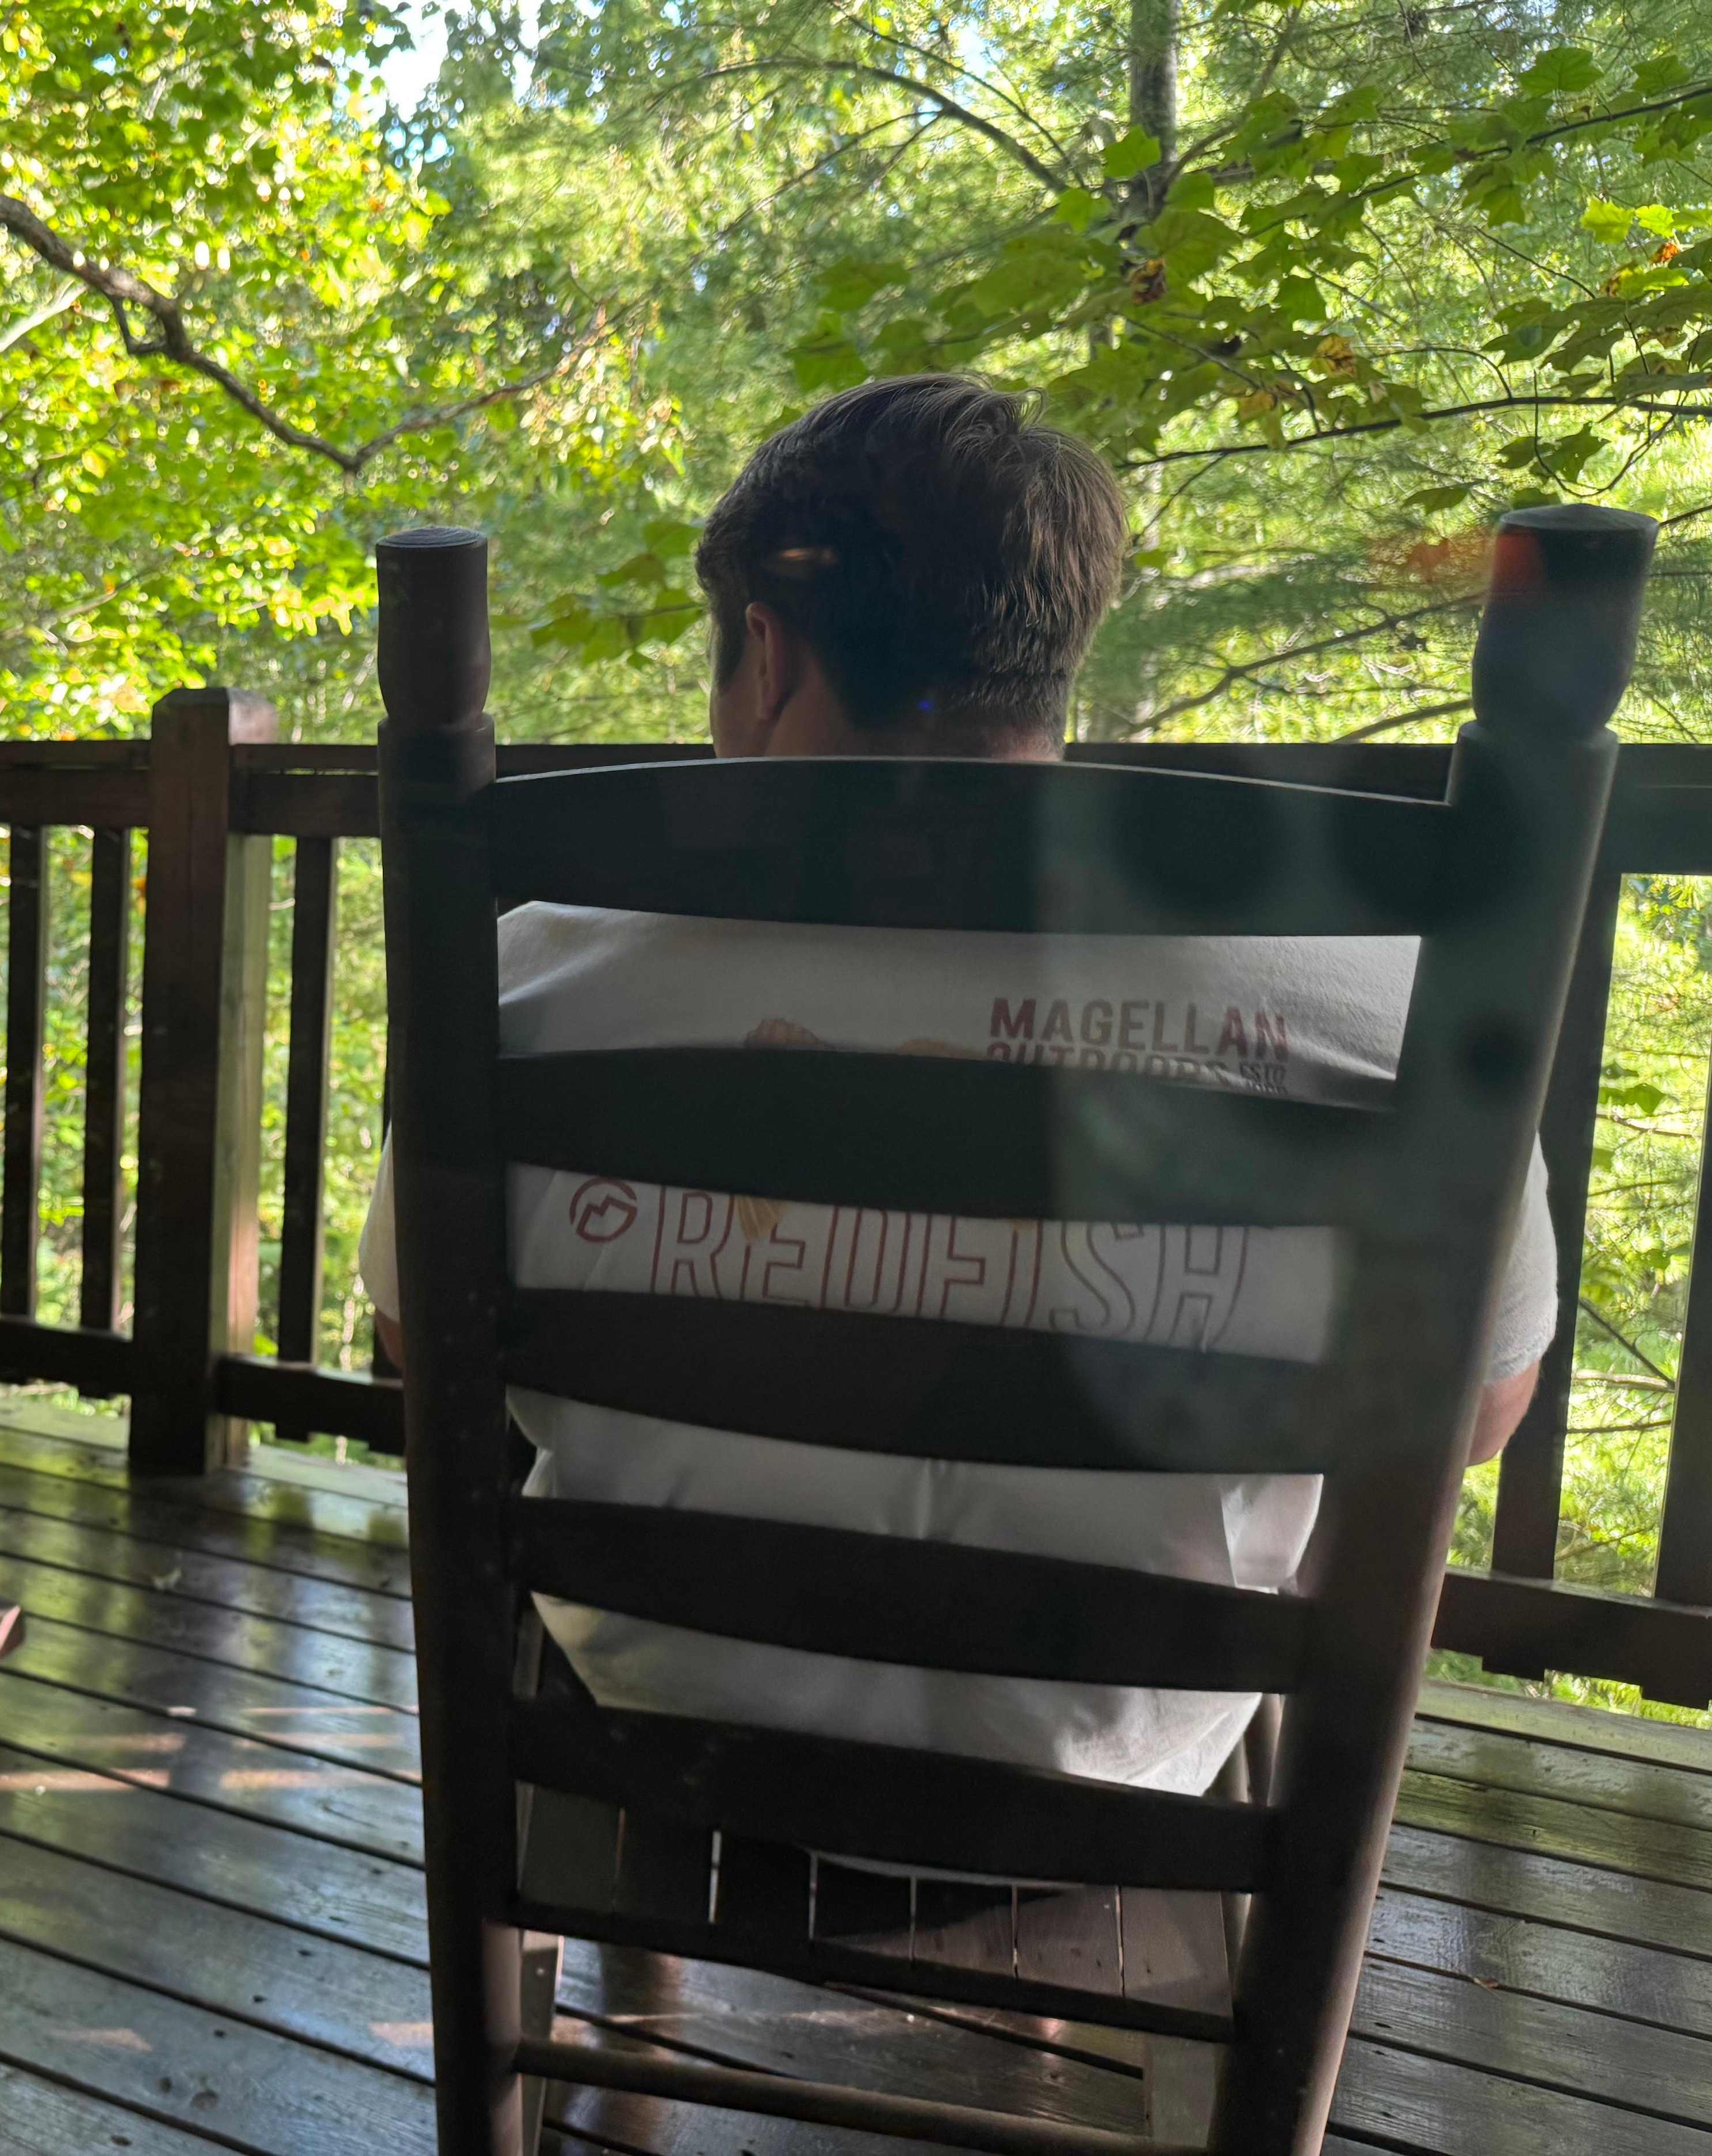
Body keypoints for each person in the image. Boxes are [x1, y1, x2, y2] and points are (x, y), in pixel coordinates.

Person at [359, 374, 1555, 1795]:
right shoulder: (1383, 1011)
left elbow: (413, 1339)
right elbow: (1472, 1418)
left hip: (664, 1701)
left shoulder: (523, 984)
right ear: (1054, 653)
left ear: (768, 650)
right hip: (1124, 1743)